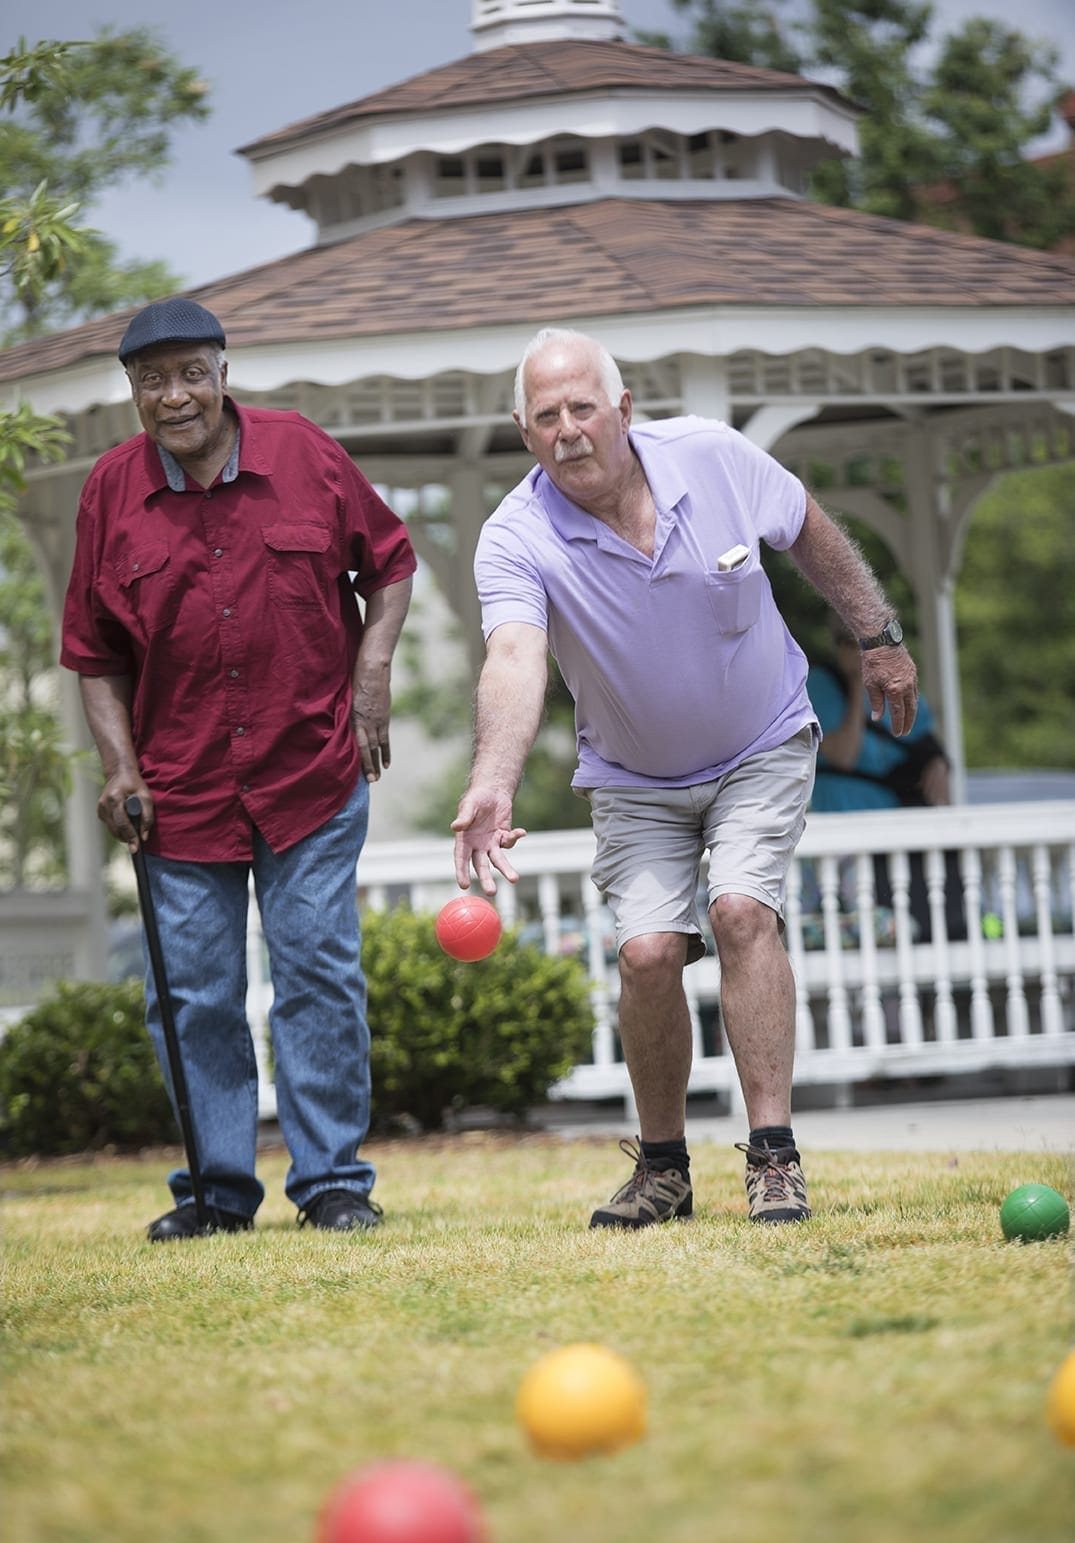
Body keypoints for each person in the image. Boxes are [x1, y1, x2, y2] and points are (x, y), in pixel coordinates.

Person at [451, 327, 919, 1229]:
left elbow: (806, 527)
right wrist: (493, 781)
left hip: (760, 741)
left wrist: (878, 635)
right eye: (545, 416)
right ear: (524, 432)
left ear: (622, 410)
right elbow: (513, 656)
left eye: (582, 407)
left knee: (741, 909)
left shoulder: (711, 456)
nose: (568, 430)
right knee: (646, 953)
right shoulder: (515, 535)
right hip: (633, 776)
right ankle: (662, 1169)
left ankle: (773, 1156)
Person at [61, 298, 416, 1240]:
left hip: (310, 772)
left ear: (224, 373)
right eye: (151, 380)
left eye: (190, 373)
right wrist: (118, 768)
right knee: (190, 996)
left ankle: (333, 1183)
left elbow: (389, 564)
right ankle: (215, 1193)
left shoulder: (304, 451)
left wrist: (371, 675)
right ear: (133, 391)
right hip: (177, 794)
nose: (173, 396)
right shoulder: (108, 491)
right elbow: (93, 652)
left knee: (317, 977)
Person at [807, 621, 965, 941]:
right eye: (849, 642)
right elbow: (843, 755)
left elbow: (928, 749)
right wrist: (856, 683)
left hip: (897, 836)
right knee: (871, 934)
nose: (859, 650)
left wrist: (939, 762)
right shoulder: (819, 684)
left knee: (920, 927)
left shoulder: (899, 685)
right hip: (844, 843)